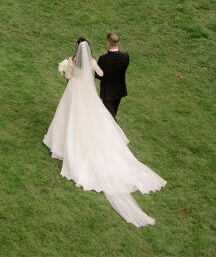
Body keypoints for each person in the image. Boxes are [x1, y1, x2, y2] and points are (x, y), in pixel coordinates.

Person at [44, 38, 165, 227]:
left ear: (76, 49)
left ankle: (63, 143)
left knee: (70, 118)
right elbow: (101, 73)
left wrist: (66, 68)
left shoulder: (72, 61)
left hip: (74, 95)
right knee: (92, 121)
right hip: (88, 96)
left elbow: (68, 76)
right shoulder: (92, 62)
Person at [96, 32, 130, 118]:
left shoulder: (103, 59)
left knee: (110, 118)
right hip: (119, 91)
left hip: (107, 92)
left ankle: (116, 132)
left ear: (108, 43)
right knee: (112, 114)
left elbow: (98, 75)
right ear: (118, 42)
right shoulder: (125, 57)